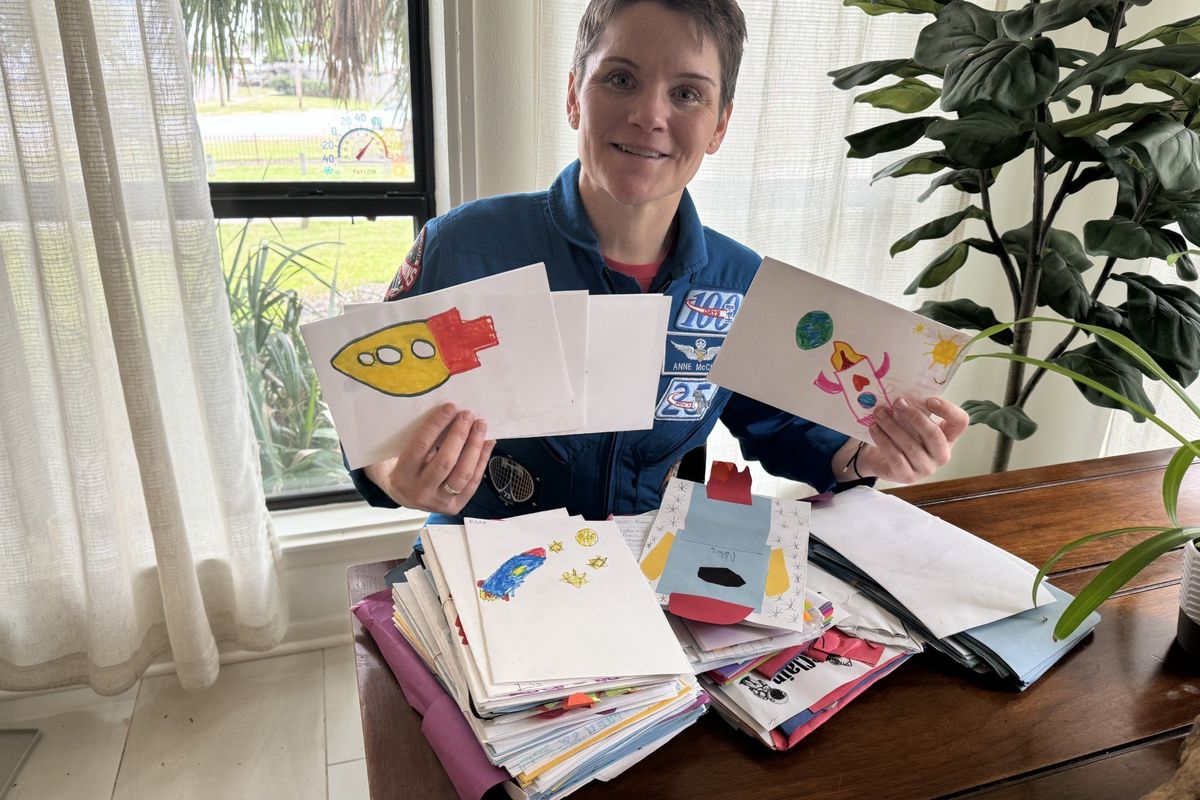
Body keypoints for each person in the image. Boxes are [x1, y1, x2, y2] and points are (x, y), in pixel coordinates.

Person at [350, 0, 969, 524]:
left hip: (659, 587)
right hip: (485, 585)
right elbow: (371, 424)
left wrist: (873, 456)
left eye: (687, 93)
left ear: (720, 125)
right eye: (620, 79)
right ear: (573, 96)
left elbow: (792, 437)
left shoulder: (742, 285)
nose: (649, 116)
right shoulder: (464, 247)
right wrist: (396, 478)